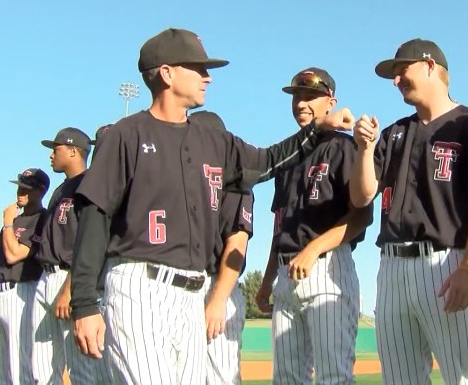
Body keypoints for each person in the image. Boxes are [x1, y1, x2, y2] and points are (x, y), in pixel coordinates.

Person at [70, 28, 353, 385]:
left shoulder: (212, 138)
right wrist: (84, 302)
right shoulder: (126, 135)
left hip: (193, 295)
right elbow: (94, 217)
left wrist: (317, 130)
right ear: (167, 73)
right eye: (197, 68)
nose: (207, 76)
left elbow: (267, 161)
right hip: (138, 287)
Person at [350, 39, 468, 384]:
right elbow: (362, 198)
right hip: (391, 268)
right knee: (400, 379)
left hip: (445, 263)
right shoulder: (392, 134)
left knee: (466, 378)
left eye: (402, 70)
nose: (396, 80)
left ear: (430, 66)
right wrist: (364, 149)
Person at [255, 68, 372, 384]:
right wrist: (267, 280)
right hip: (285, 273)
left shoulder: (343, 147)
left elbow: (361, 216)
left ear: (330, 102)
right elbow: (279, 228)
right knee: (286, 378)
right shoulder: (289, 156)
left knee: (333, 376)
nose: (300, 103)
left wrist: (314, 248)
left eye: (310, 96)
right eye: (296, 97)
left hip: (327, 268)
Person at [29, 128, 108, 383]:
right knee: (41, 367)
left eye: (57, 148)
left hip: (68, 278)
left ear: (74, 151)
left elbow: (86, 242)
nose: (52, 155)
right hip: (46, 277)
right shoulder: (61, 189)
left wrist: (70, 287)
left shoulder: (88, 184)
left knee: (81, 368)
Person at [191, 110, 254, 385]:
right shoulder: (184, 180)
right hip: (181, 287)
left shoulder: (235, 181)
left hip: (216, 285)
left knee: (220, 377)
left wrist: (217, 301)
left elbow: (237, 241)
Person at [0, 169, 49, 384]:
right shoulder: (15, 220)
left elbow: (15, 255)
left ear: (41, 191)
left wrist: (7, 223)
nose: (21, 192)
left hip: (23, 293)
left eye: (27, 188)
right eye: (20, 186)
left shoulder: (43, 219)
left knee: (20, 366)